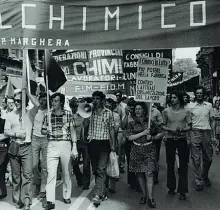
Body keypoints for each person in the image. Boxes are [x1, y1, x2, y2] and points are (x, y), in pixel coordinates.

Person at [41, 93, 78, 210]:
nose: (53, 103)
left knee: (66, 172)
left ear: (61, 102)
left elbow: (72, 131)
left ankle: (66, 195)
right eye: (52, 101)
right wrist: (46, 131)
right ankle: (50, 200)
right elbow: (42, 130)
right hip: (52, 144)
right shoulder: (48, 114)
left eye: (56, 101)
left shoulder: (68, 114)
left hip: (65, 144)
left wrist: (74, 147)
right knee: (51, 173)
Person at [4, 90, 39, 210]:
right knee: (16, 176)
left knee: (28, 175)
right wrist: (17, 134)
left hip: (26, 148)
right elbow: (6, 131)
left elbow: (38, 105)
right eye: (16, 100)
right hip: (14, 147)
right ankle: (17, 199)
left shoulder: (29, 113)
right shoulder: (10, 115)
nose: (17, 102)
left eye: (19, 100)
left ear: (24, 102)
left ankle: (26, 201)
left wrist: (27, 92)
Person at [85, 91, 115, 206]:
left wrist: (113, 143)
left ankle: (98, 194)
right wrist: (87, 114)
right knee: (96, 169)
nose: (95, 100)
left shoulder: (109, 113)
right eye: (93, 98)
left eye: (97, 98)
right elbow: (85, 126)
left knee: (101, 169)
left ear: (102, 100)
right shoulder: (89, 111)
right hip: (92, 143)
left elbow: (111, 129)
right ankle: (103, 189)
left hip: (104, 143)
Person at [127, 102, 159, 208]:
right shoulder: (131, 123)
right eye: (136, 109)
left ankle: (150, 197)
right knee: (140, 173)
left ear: (144, 110)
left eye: (139, 109)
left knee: (149, 173)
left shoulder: (151, 122)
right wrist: (143, 133)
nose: (137, 110)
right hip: (136, 149)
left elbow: (161, 132)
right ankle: (144, 195)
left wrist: (153, 137)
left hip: (149, 149)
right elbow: (129, 137)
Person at [162, 91, 191, 200]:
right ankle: (171, 187)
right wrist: (170, 130)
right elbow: (163, 126)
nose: (172, 99)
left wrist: (182, 130)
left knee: (183, 165)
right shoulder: (166, 111)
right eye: (171, 97)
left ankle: (182, 190)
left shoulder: (186, 111)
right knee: (170, 164)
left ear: (179, 99)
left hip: (182, 139)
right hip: (170, 139)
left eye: (174, 97)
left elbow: (190, 126)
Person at [190, 86, 217, 191]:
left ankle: (204, 175)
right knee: (196, 159)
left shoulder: (209, 106)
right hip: (195, 132)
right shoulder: (190, 106)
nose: (199, 95)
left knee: (209, 158)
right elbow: (188, 121)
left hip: (206, 133)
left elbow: (213, 120)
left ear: (204, 94)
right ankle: (199, 181)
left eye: (200, 93)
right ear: (195, 95)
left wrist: (213, 135)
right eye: (197, 93)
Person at [69, 97, 91, 190]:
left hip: (85, 142)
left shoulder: (88, 115)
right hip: (76, 141)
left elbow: (88, 126)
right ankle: (80, 179)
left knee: (86, 164)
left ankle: (86, 184)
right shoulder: (72, 117)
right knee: (75, 163)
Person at [32, 92, 48, 198]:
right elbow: (31, 98)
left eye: (45, 99)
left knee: (44, 165)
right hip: (34, 138)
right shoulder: (35, 110)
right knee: (33, 164)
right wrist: (27, 91)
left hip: (45, 140)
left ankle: (43, 188)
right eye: (41, 99)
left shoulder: (49, 111)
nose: (43, 101)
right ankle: (37, 183)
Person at [114, 90, 127, 174]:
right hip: (112, 130)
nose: (117, 97)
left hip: (120, 131)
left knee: (120, 150)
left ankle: (121, 166)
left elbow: (123, 120)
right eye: (116, 95)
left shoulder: (124, 106)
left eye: (119, 95)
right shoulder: (111, 105)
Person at [0, 108, 10, 199]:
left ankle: (3, 192)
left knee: (1, 170)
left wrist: (1, 136)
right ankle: (3, 192)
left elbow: (8, 134)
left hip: (3, 148)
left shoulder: (3, 122)